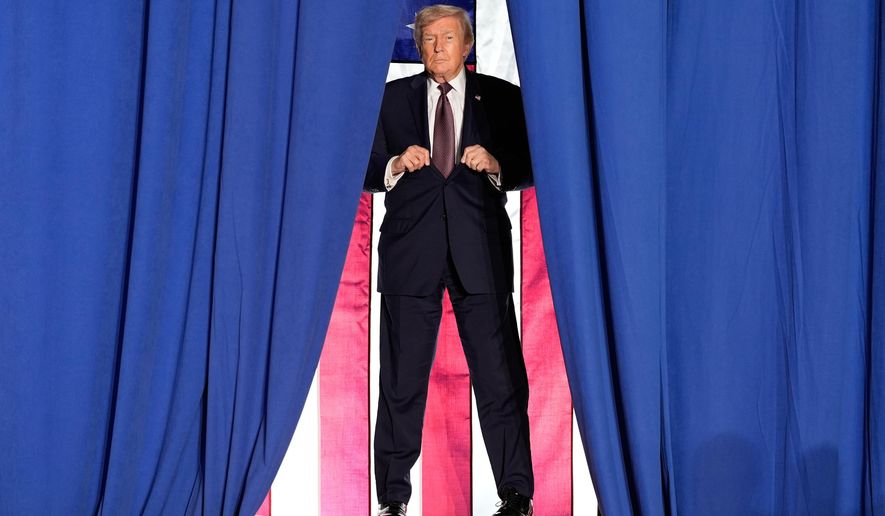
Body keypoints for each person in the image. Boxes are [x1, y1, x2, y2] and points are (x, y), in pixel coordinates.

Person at [364, 5, 534, 516]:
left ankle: (516, 495)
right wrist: (395, 164)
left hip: (480, 254)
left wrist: (498, 165)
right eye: (428, 40)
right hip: (410, 257)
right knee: (401, 384)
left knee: (500, 381)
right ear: (418, 48)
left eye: (447, 39)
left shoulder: (502, 100)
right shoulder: (391, 99)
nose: (437, 48)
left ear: (467, 46)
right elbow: (364, 166)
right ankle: (393, 500)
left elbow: (534, 160)